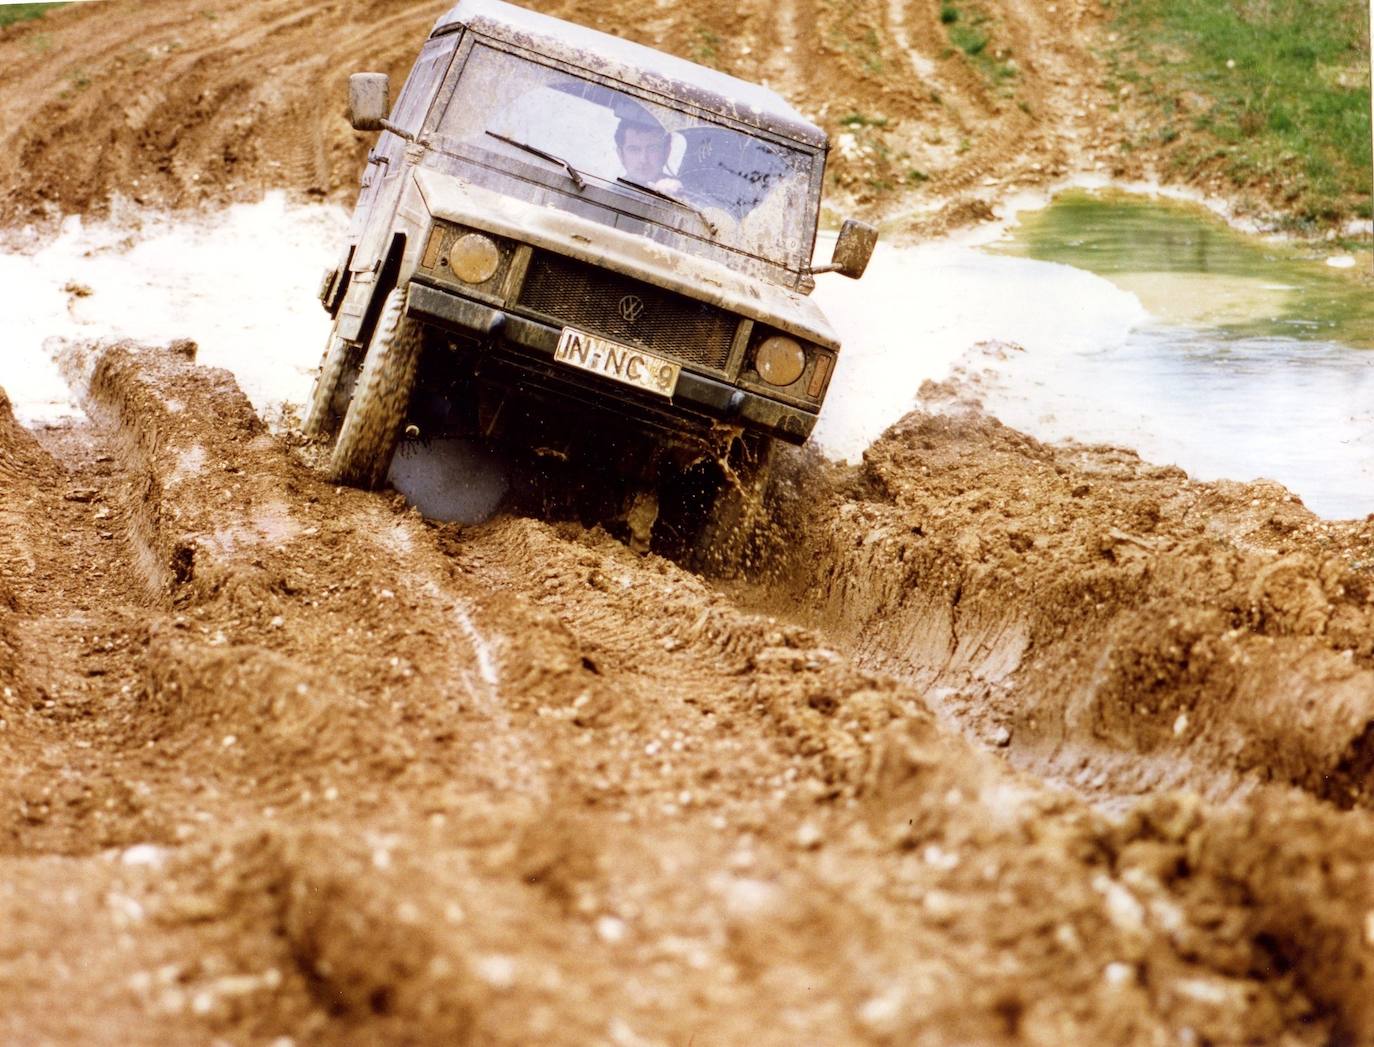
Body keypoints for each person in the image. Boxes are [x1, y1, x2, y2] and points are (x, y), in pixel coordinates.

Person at [614, 119, 681, 192]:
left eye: (652, 149)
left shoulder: (683, 196)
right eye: (634, 150)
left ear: (666, 152)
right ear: (621, 155)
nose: (643, 160)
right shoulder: (608, 195)